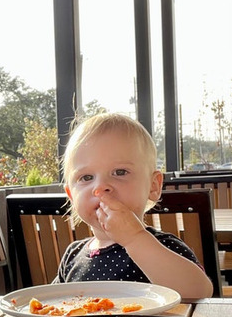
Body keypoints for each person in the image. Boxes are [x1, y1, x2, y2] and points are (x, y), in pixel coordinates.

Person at [54, 113, 214, 299]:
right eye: (86, 177)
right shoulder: (73, 256)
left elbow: (199, 292)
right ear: (71, 196)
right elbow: (52, 304)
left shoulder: (163, 247)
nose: (101, 186)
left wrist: (134, 239)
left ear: (153, 186)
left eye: (120, 172)